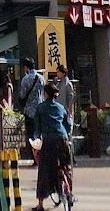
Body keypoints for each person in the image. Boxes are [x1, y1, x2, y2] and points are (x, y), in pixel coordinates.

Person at [33, 79, 73, 209]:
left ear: (45, 94)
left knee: (44, 171)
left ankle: (40, 204)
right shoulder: (61, 108)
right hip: (63, 140)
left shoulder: (40, 108)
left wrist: (37, 139)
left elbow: (37, 129)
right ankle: (69, 193)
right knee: (66, 168)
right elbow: (67, 125)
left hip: (49, 142)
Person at [18, 58, 44, 138]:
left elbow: (22, 95)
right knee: (39, 133)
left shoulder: (25, 79)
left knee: (30, 135)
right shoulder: (41, 78)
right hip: (39, 109)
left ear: (26, 67)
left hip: (29, 111)